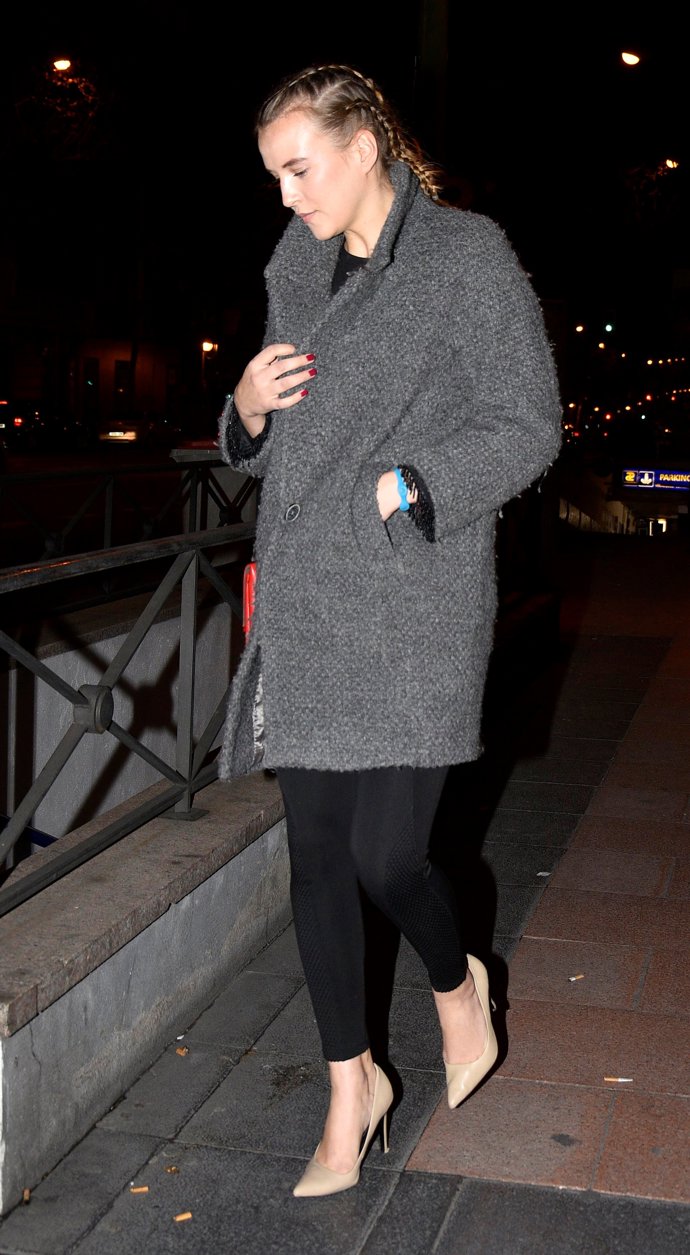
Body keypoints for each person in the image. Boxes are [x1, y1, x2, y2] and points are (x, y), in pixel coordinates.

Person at [217, 63, 562, 1198]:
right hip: (311, 599)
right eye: (274, 176)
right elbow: (277, 440)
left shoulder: (466, 258)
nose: (286, 196)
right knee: (317, 858)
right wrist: (246, 412)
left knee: (386, 856)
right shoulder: (296, 267)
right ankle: (349, 1086)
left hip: (413, 602)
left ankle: (458, 982)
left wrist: (418, 485)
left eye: (298, 168)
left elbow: (529, 422)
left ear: (363, 146)